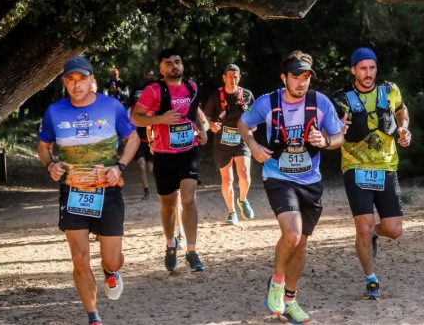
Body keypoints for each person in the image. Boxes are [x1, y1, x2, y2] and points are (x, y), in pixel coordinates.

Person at [238, 50, 344, 323]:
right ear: (284, 77)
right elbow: (243, 123)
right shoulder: (267, 103)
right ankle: (276, 283)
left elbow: (339, 136)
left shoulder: (320, 102)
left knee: (301, 245)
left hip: (311, 181)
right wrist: (253, 145)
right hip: (279, 178)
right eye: (296, 76)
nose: (301, 82)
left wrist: (325, 141)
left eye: (306, 77)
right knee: (293, 234)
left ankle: (290, 300)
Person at [37, 56, 139, 325]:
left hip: (107, 191)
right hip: (73, 192)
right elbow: (44, 146)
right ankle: (93, 317)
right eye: (70, 79)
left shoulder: (112, 107)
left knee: (113, 259)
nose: (76, 84)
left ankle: (110, 271)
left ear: (92, 80)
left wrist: (120, 167)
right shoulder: (54, 112)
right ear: (64, 83)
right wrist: (50, 165)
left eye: (82, 78)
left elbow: (133, 138)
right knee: (80, 259)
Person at [330, 47, 411, 300]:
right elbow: (333, 127)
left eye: (372, 68)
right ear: (353, 70)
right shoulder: (341, 98)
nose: (368, 73)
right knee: (362, 228)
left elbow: (401, 111)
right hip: (355, 168)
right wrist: (338, 127)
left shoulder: (389, 90)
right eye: (363, 68)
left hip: (386, 166)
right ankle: (371, 279)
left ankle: (373, 233)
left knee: (394, 229)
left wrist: (404, 129)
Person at [131, 48, 208, 273]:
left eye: (178, 61)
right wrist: (160, 119)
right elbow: (136, 117)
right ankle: (170, 244)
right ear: (161, 68)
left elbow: (193, 114)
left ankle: (192, 251)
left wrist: (202, 131)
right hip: (164, 154)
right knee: (168, 205)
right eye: (169, 63)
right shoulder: (153, 90)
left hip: (189, 151)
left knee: (188, 199)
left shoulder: (192, 87)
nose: (175, 66)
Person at [204, 64, 255, 225]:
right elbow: (205, 118)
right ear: (224, 77)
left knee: (245, 174)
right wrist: (211, 126)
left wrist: (252, 126)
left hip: (241, 139)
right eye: (230, 76)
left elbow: (255, 118)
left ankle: (243, 199)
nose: (233, 79)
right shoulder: (215, 95)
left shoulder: (247, 95)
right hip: (222, 142)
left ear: (239, 78)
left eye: (236, 77)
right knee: (227, 180)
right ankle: (232, 212)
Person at [128, 89, 154, 200]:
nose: (138, 101)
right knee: (141, 164)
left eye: (140, 99)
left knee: (151, 168)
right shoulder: (130, 111)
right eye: (136, 99)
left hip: (149, 142)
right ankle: (146, 191)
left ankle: (164, 188)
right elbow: (127, 126)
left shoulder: (151, 111)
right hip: (138, 143)